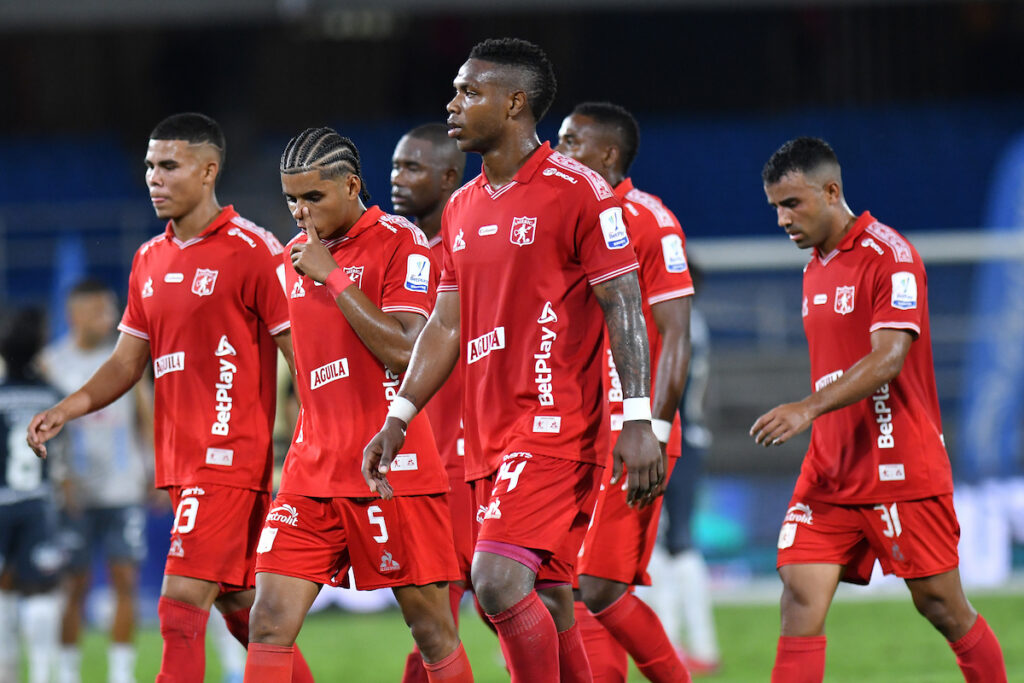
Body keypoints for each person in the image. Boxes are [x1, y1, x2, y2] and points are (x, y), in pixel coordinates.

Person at [364, 38, 663, 683]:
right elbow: (446, 323)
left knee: (496, 583)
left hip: (556, 426)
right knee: (548, 601)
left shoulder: (579, 192)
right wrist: (400, 415)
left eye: (469, 92)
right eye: (455, 91)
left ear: (514, 103)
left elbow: (624, 305)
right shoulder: (463, 206)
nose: (453, 104)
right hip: (487, 438)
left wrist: (638, 419)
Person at [26, 112, 313, 683]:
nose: (154, 178)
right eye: (150, 166)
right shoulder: (148, 259)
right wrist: (66, 409)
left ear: (208, 170)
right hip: (182, 466)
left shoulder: (254, 249)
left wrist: (313, 441)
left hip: (230, 460)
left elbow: (300, 354)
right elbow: (126, 363)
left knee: (179, 607)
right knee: (244, 611)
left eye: (169, 165)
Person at [751, 136, 1006, 683]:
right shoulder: (814, 267)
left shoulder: (891, 256)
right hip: (830, 471)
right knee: (799, 595)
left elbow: (889, 358)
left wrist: (806, 409)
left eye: (791, 203)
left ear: (831, 191)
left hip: (900, 467)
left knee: (943, 607)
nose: (782, 219)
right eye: (775, 207)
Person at [243, 127, 472, 683]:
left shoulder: (399, 242)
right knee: (268, 621)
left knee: (432, 630)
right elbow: (304, 365)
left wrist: (334, 277)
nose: (301, 212)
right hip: (311, 471)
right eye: (291, 199)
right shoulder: (291, 260)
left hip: (391, 470)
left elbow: (406, 349)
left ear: (351, 185)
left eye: (313, 197)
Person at [556, 101, 693, 683]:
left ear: (608, 153)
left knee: (599, 586)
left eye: (571, 142)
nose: (558, 152)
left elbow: (677, 334)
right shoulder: (570, 217)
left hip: (633, 433)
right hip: (574, 430)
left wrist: (654, 432)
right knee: (567, 587)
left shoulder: (649, 220)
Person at [390, 122, 474, 682]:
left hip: (467, 462)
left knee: (449, 616)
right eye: (396, 166)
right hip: (418, 460)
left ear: (448, 177)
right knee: (435, 622)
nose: (397, 178)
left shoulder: (467, 251)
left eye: (412, 168)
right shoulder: (396, 253)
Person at [39, 279, 150, 683]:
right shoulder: (51, 364)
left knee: (126, 582)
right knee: (74, 586)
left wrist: (153, 470)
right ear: (75, 314)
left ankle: (122, 675)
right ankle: (68, 675)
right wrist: (59, 479)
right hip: (76, 495)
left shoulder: (124, 360)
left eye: (110, 309)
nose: (109, 318)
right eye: (99, 310)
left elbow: (147, 418)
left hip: (123, 490)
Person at [644, 294, 721, 676]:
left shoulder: (671, 320)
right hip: (689, 437)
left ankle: (673, 642)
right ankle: (699, 646)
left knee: (663, 541)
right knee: (678, 541)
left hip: (667, 437)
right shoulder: (695, 320)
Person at [0, 309, 66, 683]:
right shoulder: (51, 395)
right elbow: (65, 452)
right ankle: (42, 675)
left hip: (1, 503)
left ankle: (6, 670)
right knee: (41, 592)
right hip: (37, 504)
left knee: (3, 592)